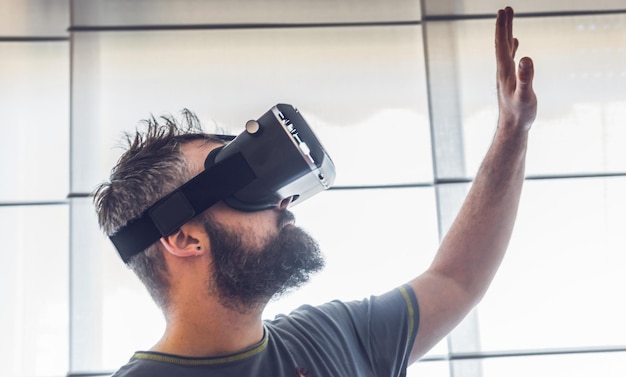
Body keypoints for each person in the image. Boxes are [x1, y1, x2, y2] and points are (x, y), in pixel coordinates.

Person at [94, 6, 537, 377]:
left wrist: (512, 131)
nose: (284, 201)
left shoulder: (332, 335)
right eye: (245, 184)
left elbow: (455, 280)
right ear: (185, 237)